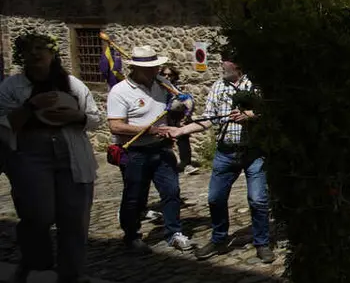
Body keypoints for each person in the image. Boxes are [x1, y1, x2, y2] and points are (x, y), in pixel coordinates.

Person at [0, 32, 102, 283]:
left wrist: (76, 117)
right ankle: (31, 261)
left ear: (52, 53)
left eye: (40, 48)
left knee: (74, 217)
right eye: (29, 50)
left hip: (72, 155)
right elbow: (4, 124)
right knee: (37, 215)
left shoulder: (73, 85)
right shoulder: (11, 87)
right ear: (22, 55)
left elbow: (95, 118)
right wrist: (31, 106)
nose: (35, 54)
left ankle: (71, 273)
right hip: (31, 155)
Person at [173, 59, 274, 264]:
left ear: (236, 64)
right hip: (226, 152)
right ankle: (219, 238)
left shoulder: (256, 84)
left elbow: (270, 112)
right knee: (215, 198)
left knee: (258, 200)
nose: (221, 64)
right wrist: (181, 131)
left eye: (225, 61)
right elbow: (208, 119)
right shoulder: (217, 87)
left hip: (253, 153)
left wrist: (250, 115)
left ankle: (262, 242)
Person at [107, 45, 191, 252]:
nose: (156, 71)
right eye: (151, 68)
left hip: (162, 148)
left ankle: (174, 232)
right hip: (135, 151)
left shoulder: (162, 84)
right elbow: (115, 126)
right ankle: (132, 235)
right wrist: (148, 130)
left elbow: (180, 103)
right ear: (136, 68)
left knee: (171, 191)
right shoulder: (120, 91)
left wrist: (183, 106)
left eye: (156, 67)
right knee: (134, 195)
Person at [159, 65, 198, 175]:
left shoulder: (177, 87)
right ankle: (165, 165)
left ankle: (187, 164)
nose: (167, 77)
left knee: (183, 138)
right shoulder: (157, 87)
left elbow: (188, 100)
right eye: (164, 75)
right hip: (162, 116)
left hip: (177, 115)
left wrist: (187, 114)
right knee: (164, 140)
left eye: (170, 75)